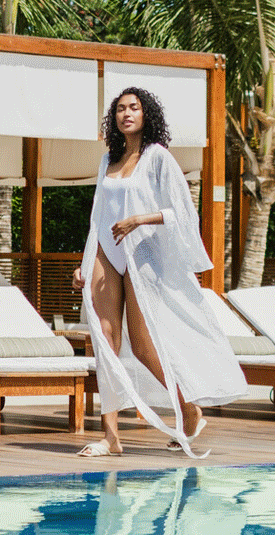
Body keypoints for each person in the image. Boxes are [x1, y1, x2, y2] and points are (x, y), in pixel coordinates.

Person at [73, 87, 247, 458]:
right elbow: (96, 218)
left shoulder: (158, 158)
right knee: (104, 341)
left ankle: (186, 408)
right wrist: (86, 263)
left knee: (142, 346)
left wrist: (140, 219)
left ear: (146, 114)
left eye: (133, 107)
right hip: (108, 250)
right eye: (120, 109)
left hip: (145, 254)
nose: (126, 114)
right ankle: (111, 437)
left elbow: (183, 213)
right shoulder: (108, 160)